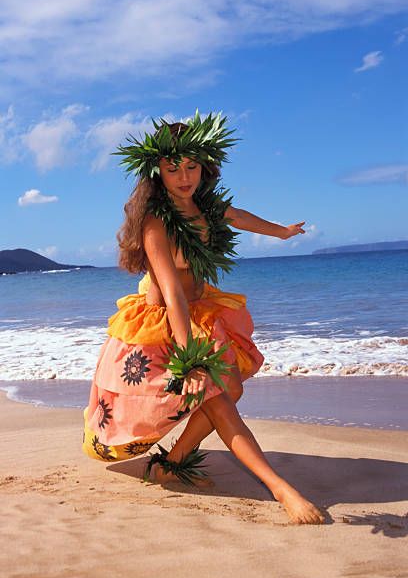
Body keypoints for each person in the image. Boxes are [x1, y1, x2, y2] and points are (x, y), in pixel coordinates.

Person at [82, 110, 325, 525]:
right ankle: (281, 488)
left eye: (192, 166)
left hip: (199, 310)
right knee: (219, 397)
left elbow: (240, 216)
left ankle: (172, 465)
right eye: (173, 167)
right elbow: (173, 293)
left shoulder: (207, 208)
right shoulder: (156, 222)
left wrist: (281, 232)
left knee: (229, 388)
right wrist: (190, 356)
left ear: (204, 167)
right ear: (156, 170)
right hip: (164, 323)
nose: (184, 176)